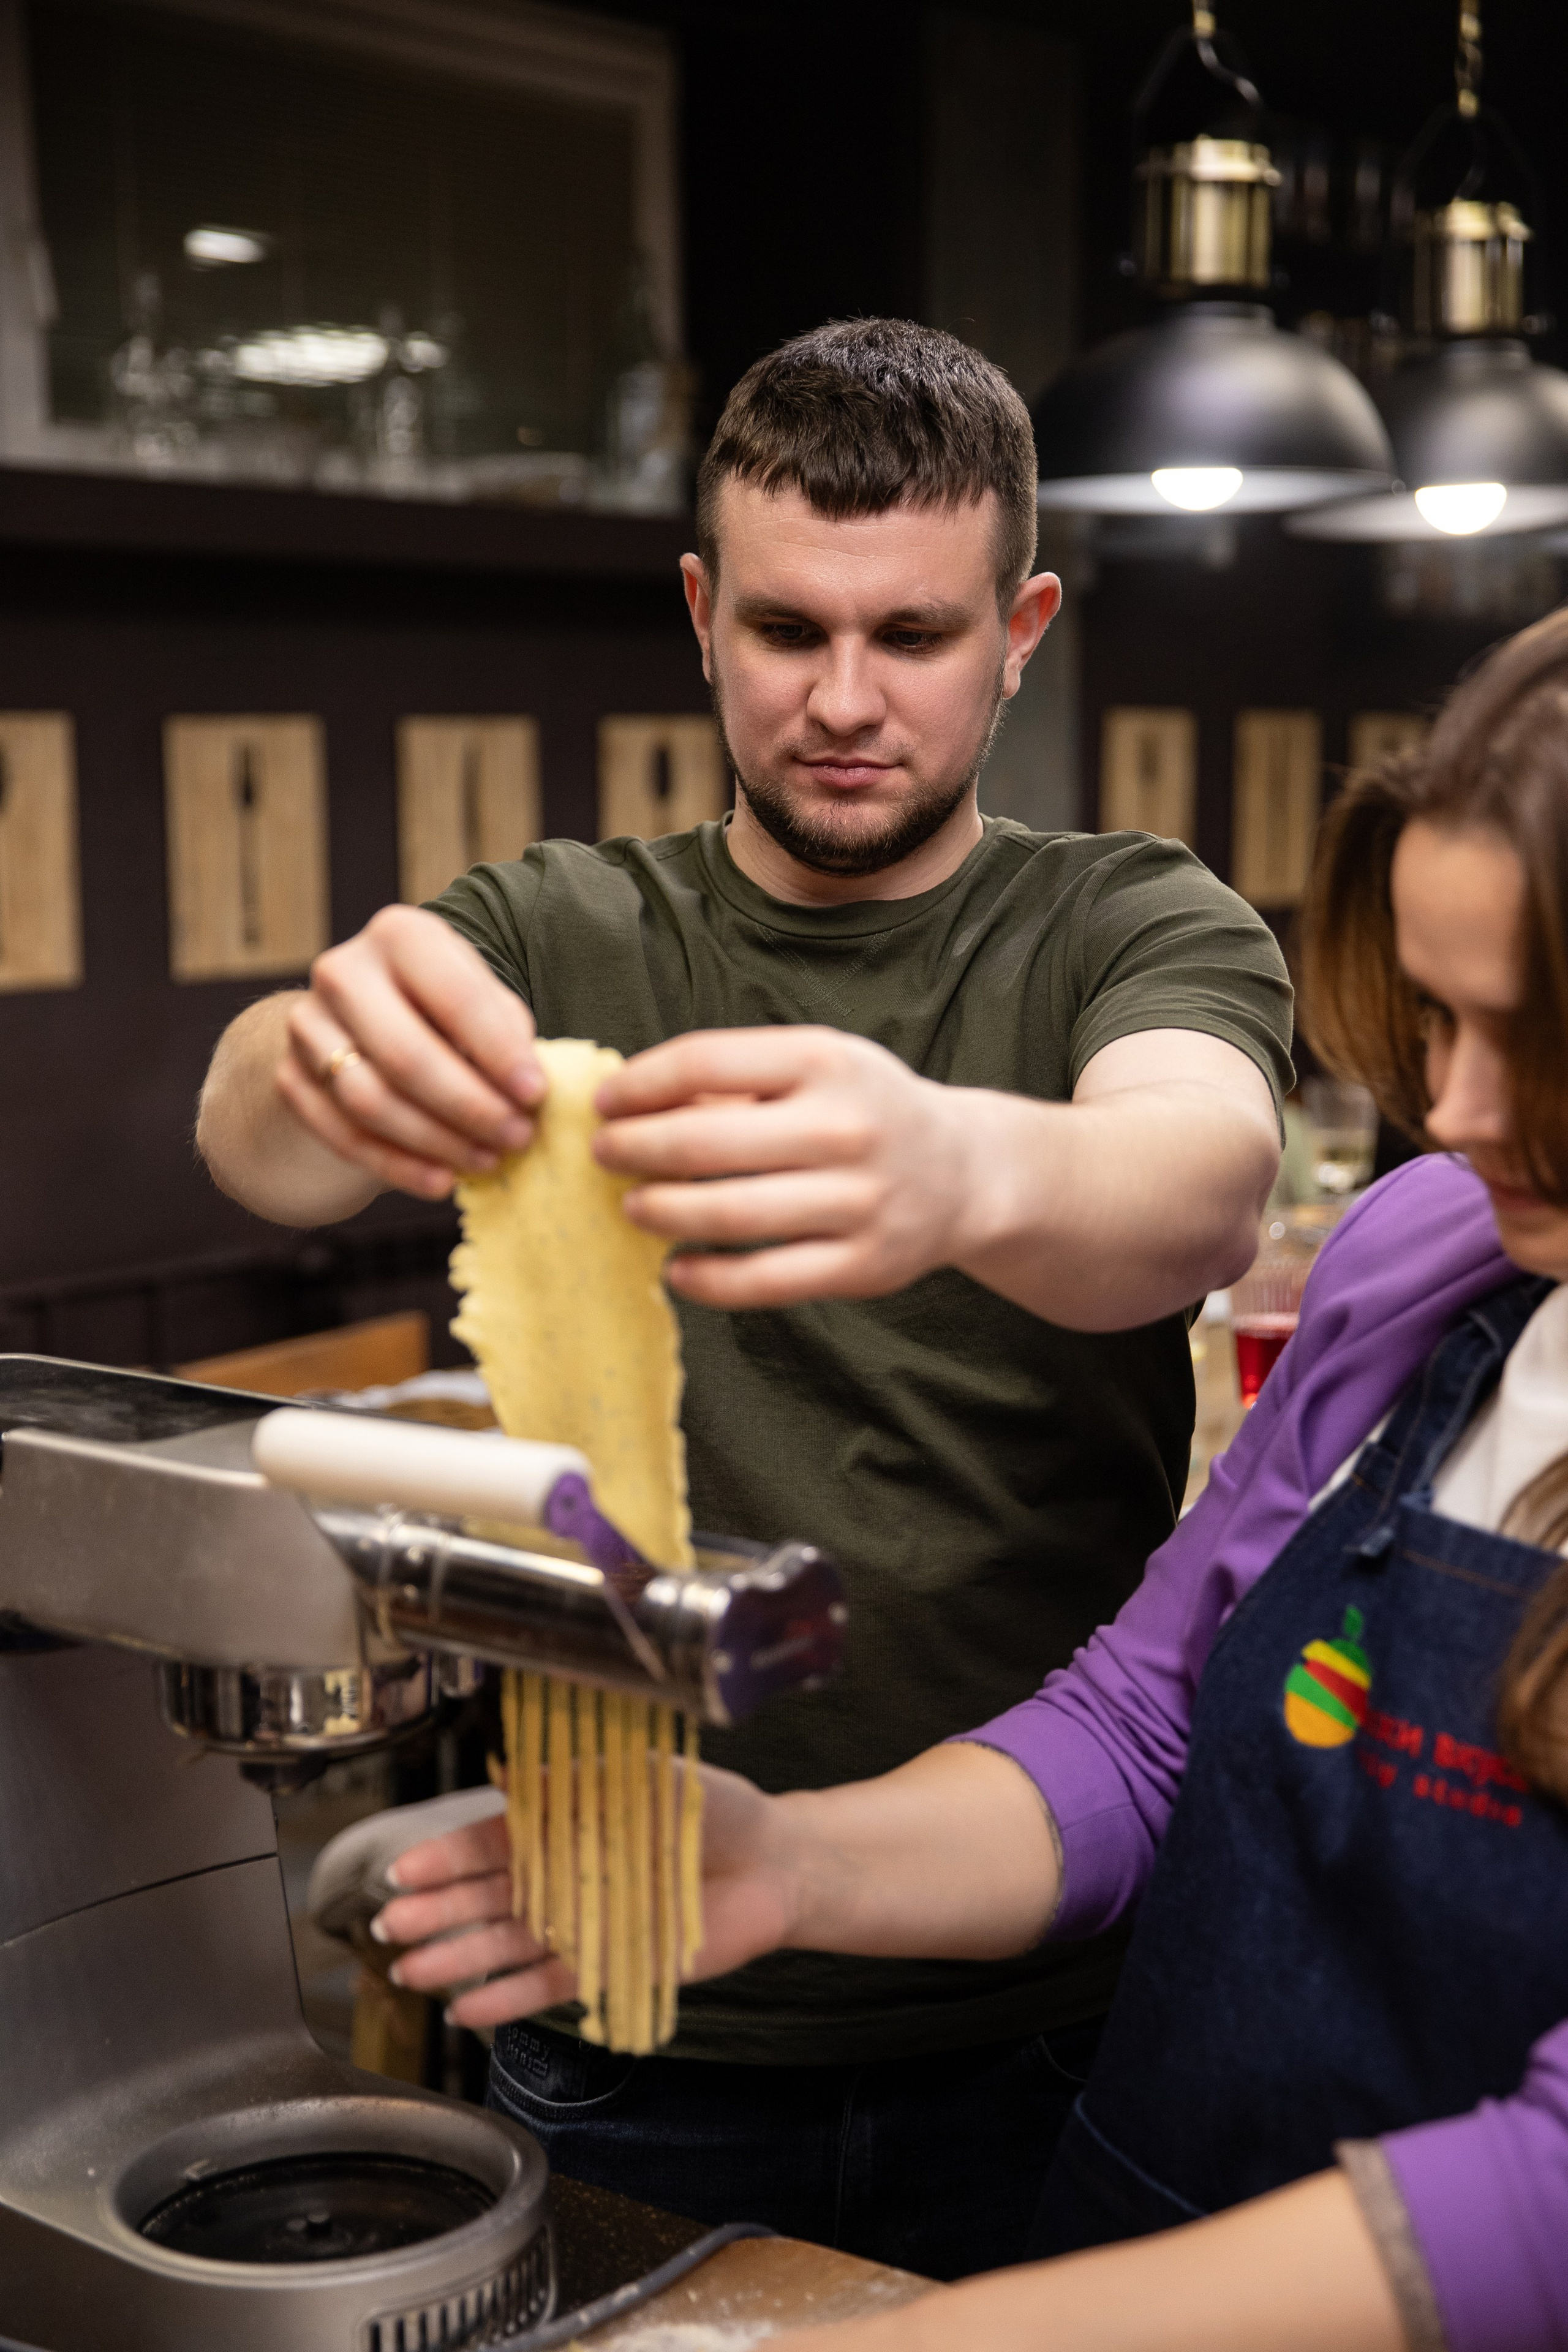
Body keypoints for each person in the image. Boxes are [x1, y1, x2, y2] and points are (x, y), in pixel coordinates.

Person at [197, 317, 1290, 2277]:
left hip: (1052, 2006)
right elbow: (258, 1141)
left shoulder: (1125, 920)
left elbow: (1194, 1181)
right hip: (627, 1981)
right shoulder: (562, 928)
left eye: (918, 636)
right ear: (701, 616)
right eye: (788, 632)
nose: (845, 700)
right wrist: (315, 1056)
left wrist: (965, 1165)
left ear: (1023, 624)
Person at [377, 606, 1568, 2351]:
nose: (1452, 1108)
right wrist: (796, 1866)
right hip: (1144, 2217)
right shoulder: (1427, 1260)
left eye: (1534, 1040)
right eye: (1437, 1020)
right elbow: (1148, 1731)